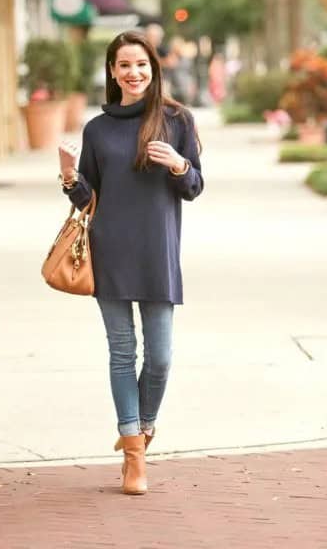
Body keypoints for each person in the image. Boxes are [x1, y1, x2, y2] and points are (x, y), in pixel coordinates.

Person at [58, 30, 203, 495]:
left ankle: (144, 427)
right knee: (123, 353)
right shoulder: (97, 129)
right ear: (112, 71)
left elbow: (195, 186)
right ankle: (134, 454)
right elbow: (88, 199)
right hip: (110, 251)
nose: (133, 73)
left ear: (153, 68)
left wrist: (179, 164)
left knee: (159, 358)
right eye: (124, 65)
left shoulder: (177, 119)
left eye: (141, 64)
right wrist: (67, 174)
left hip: (158, 252)